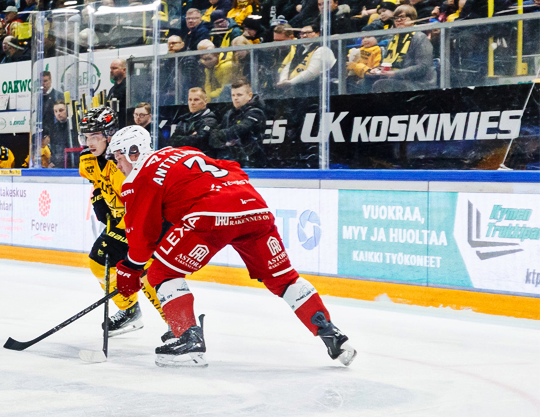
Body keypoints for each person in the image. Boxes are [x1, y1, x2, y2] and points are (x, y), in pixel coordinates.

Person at [107, 126, 355, 367]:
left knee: (162, 272)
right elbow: (231, 168)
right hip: (253, 206)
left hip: (211, 214)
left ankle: (187, 338)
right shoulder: (182, 152)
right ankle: (332, 336)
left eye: (118, 157)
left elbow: (141, 239)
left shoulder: (138, 178)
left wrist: (130, 269)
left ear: (134, 152)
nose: (118, 165)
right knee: (284, 279)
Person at [76, 105, 159, 338]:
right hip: (117, 225)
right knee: (98, 262)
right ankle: (129, 310)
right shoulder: (87, 160)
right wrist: (99, 198)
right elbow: (97, 181)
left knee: (147, 275)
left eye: (95, 135)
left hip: (139, 225)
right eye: (86, 136)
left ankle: (179, 326)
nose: (89, 141)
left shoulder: (127, 160)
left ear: (110, 135)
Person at [209, 79, 266, 164]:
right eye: (233, 95)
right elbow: (213, 135)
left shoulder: (256, 112)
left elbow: (240, 129)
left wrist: (221, 135)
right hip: (230, 160)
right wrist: (224, 144)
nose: (235, 98)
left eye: (239, 95)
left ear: (249, 96)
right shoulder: (229, 114)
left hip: (252, 162)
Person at [170, 86, 219, 151]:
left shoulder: (210, 120)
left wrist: (183, 138)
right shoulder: (184, 119)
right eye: (190, 100)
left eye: (196, 100)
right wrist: (191, 136)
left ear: (205, 101)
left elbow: (199, 141)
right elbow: (172, 140)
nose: (192, 103)